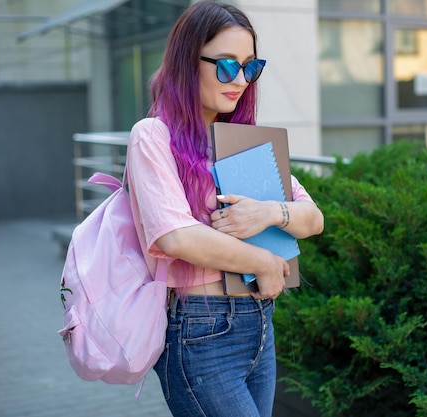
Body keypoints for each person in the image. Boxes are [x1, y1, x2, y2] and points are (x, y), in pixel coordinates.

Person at [126, 1, 324, 416]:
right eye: (227, 65)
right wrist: (262, 260)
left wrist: (269, 212)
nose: (240, 80)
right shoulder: (153, 136)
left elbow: (313, 218)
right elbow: (174, 234)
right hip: (201, 329)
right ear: (187, 61)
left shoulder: (243, 140)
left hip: (259, 324)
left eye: (250, 68)